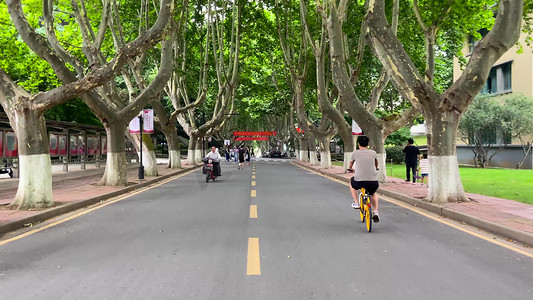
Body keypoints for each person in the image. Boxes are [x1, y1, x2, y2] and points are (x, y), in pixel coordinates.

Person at [347, 135, 380, 222]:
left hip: (359, 181)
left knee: (351, 182)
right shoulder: (373, 153)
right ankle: (375, 211)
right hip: (373, 182)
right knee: (373, 194)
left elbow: (350, 164)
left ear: (358, 144)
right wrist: (376, 168)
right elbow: (376, 163)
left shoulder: (355, 153)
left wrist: (350, 168)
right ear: (368, 144)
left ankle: (356, 202)